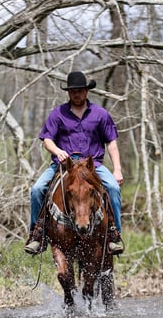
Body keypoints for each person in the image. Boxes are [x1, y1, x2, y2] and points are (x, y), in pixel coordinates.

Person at [24, 71, 125, 256]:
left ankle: (114, 234)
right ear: (68, 93)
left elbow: (111, 142)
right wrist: (57, 151)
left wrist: (117, 169)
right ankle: (37, 234)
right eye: (72, 91)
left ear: (86, 91)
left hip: (92, 166)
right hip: (64, 166)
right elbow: (47, 140)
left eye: (80, 91)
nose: (76, 94)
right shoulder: (58, 114)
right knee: (37, 189)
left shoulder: (100, 114)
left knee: (112, 187)